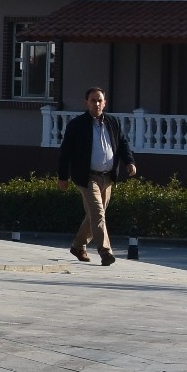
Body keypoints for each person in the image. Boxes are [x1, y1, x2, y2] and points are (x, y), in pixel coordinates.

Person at [57, 86, 136, 265]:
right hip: (87, 177)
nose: (97, 103)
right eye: (93, 100)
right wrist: (63, 176)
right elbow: (65, 152)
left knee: (94, 215)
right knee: (98, 213)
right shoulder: (77, 125)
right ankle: (105, 251)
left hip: (107, 177)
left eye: (100, 100)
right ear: (87, 103)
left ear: (105, 102)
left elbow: (123, 144)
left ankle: (78, 245)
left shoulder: (113, 122)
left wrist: (129, 162)